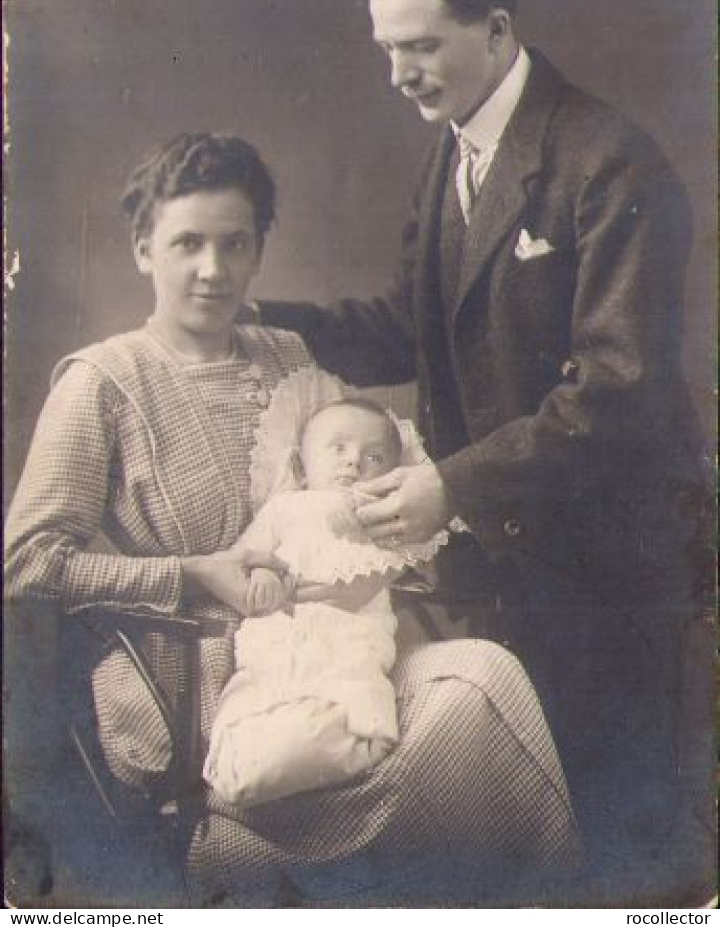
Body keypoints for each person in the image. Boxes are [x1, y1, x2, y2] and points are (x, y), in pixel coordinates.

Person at [5, 131, 581, 907]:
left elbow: (346, 487)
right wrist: (193, 574)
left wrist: (392, 533)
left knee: (486, 677)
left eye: (234, 244)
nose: (212, 269)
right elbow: (26, 563)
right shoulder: (104, 382)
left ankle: (556, 906)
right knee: (463, 716)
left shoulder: (286, 357)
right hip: (215, 692)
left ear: (258, 252)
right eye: (186, 244)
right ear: (143, 249)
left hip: (347, 656)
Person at [254, 0, 709, 901]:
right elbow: (409, 327)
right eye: (387, 51)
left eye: (420, 48)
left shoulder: (608, 161)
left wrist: (449, 484)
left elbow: (620, 393)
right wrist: (258, 319)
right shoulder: (454, 152)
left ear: (497, 31)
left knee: (623, 841)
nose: (400, 76)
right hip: (500, 566)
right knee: (520, 835)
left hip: (605, 573)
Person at [204, 397, 445, 809]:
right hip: (277, 644)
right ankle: (259, 761)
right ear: (301, 465)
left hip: (345, 649)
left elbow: (413, 560)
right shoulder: (282, 509)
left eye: (374, 456)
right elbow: (247, 556)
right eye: (338, 449)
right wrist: (263, 573)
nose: (353, 464)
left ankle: (315, 752)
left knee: (345, 702)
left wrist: (381, 564)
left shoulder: (382, 515)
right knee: (256, 706)